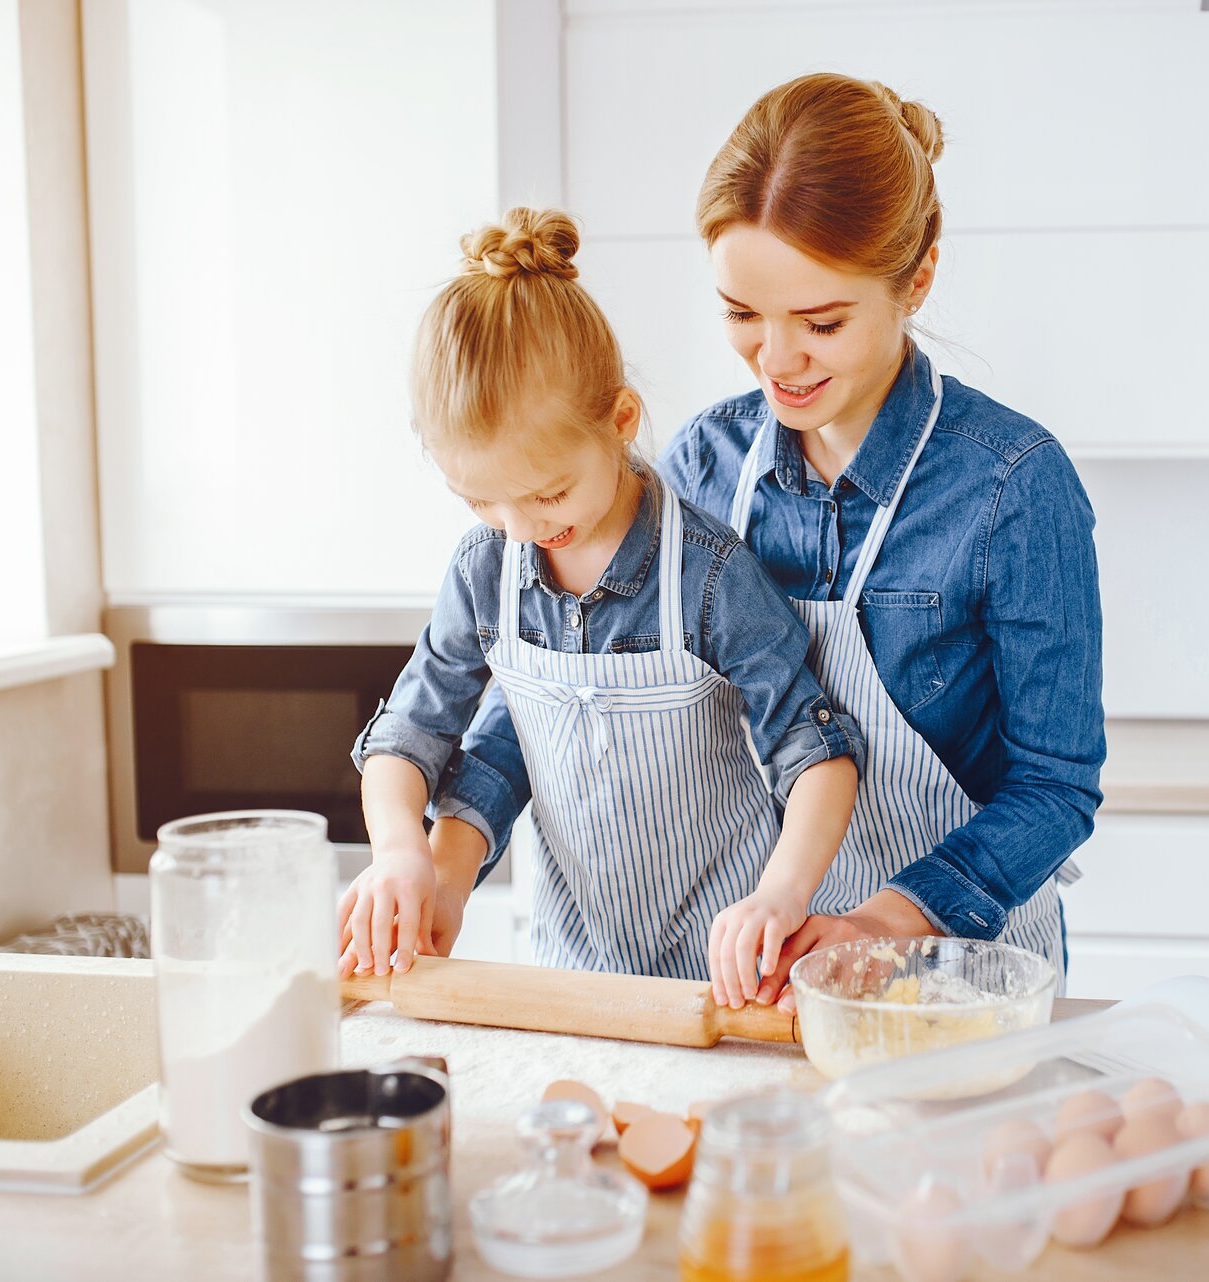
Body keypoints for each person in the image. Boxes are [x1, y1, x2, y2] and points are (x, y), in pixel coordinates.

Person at [435, 73, 1105, 1009]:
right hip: (761, 976)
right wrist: (446, 852)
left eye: (821, 322)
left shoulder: (1012, 487)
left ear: (916, 279)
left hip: (953, 973)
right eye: (743, 316)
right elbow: (565, 679)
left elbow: (1055, 788)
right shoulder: (703, 460)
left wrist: (882, 922)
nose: (777, 361)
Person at [339, 207, 863, 996]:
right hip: (573, 973)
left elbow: (817, 756)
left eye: (548, 493)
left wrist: (780, 893)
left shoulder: (709, 577)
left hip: (723, 977)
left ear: (620, 421)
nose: (523, 530)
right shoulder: (488, 569)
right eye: (482, 501)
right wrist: (406, 858)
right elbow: (412, 733)